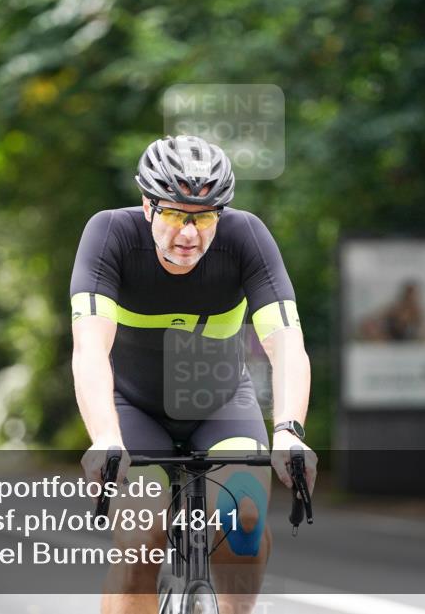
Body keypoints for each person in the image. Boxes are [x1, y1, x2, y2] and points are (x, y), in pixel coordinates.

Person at [70, 134, 318, 614]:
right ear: (147, 206)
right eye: (175, 214)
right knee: (141, 536)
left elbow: (286, 344)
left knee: (245, 522)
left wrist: (289, 430)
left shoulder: (245, 237)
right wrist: (104, 436)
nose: (189, 233)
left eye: (204, 217)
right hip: (133, 409)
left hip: (223, 406)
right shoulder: (109, 235)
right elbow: (89, 348)